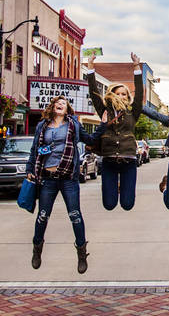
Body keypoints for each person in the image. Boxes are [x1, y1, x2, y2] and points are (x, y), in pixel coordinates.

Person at [25, 96, 105, 274]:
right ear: (52, 107)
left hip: (68, 177)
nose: (60, 105)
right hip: (48, 177)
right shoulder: (42, 126)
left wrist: (103, 124)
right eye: (57, 103)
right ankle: (37, 248)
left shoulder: (74, 124)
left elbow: (90, 140)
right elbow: (34, 149)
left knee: (75, 215)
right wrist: (29, 168)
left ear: (67, 109)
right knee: (42, 216)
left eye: (63, 104)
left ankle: (82, 254)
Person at [86, 52, 143, 211]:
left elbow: (139, 92)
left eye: (124, 94)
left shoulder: (133, 111)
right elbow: (94, 92)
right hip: (109, 160)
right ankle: (113, 187)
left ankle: (122, 187)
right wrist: (91, 66)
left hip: (128, 161)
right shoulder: (105, 110)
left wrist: (136, 67)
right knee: (109, 205)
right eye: (117, 93)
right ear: (111, 95)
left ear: (128, 97)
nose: (121, 96)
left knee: (127, 204)